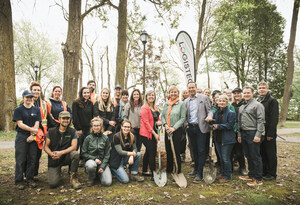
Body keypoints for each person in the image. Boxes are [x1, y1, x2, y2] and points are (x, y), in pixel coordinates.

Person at [44, 111, 81, 189]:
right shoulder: (51, 131)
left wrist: (61, 153)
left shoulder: (72, 131)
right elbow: (46, 146)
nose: (65, 120)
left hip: (66, 157)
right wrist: (51, 154)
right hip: (54, 158)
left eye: (67, 118)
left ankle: (73, 177)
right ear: (59, 119)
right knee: (53, 184)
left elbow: (74, 147)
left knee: (75, 154)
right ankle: (57, 172)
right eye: (63, 118)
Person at [185, 82, 213, 183]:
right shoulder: (186, 101)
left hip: (201, 127)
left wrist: (209, 116)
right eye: (189, 88)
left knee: (201, 150)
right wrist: (185, 124)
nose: (191, 89)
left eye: (193, 87)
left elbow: (209, 110)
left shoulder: (204, 98)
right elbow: (185, 115)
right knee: (194, 150)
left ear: (196, 88)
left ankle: (199, 173)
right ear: (187, 89)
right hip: (191, 128)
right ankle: (196, 169)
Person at [13, 90, 41, 189]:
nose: (29, 99)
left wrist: (32, 134)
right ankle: (19, 181)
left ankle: (30, 179)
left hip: (33, 137)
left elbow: (37, 123)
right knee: (20, 159)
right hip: (21, 136)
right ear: (23, 98)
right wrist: (32, 130)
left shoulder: (37, 110)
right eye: (27, 97)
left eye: (30, 97)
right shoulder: (18, 110)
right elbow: (20, 124)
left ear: (32, 98)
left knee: (32, 159)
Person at [238, 86, 265, 186]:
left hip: (253, 133)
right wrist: (239, 134)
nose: (246, 95)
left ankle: (258, 179)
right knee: (248, 155)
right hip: (244, 133)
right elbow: (239, 122)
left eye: (248, 93)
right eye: (244, 93)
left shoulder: (258, 105)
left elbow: (261, 120)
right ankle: (251, 174)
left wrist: (258, 134)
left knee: (255, 156)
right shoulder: (241, 106)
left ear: (252, 93)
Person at [161, 86, 186, 173]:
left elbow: (183, 118)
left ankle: (178, 170)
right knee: (168, 150)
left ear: (178, 93)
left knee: (176, 150)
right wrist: (165, 125)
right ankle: (169, 169)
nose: (173, 94)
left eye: (175, 92)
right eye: (171, 92)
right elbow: (163, 116)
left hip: (176, 130)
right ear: (169, 93)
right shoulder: (166, 104)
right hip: (167, 130)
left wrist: (174, 128)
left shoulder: (181, 104)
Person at [257, 81, 279, 181]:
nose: (261, 89)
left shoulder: (272, 101)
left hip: (269, 132)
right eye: (260, 88)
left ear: (267, 89)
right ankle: (264, 171)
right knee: (262, 152)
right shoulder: (258, 100)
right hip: (260, 131)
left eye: (263, 87)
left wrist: (270, 133)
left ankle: (272, 173)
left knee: (270, 153)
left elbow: (274, 118)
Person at [81, 117, 112, 187]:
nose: (96, 127)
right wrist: (94, 158)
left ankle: (99, 173)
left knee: (107, 183)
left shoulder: (105, 138)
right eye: (94, 126)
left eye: (98, 125)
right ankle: (91, 177)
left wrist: (103, 166)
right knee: (91, 166)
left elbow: (107, 154)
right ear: (92, 127)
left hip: (102, 162)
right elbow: (83, 153)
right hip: (91, 161)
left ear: (101, 127)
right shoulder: (88, 138)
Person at [212, 95, 236, 183]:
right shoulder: (216, 112)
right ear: (217, 102)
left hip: (227, 139)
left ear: (226, 102)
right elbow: (213, 121)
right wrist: (209, 121)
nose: (221, 102)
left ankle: (227, 176)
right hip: (218, 138)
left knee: (226, 158)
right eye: (220, 101)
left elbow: (230, 125)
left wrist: (218, 126)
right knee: (221, 158)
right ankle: (222, 173)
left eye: (223, 101)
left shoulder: (231, 113)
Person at [29, 82, 50, 179]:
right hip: (30, 132)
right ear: (31, 91)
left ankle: (35, 174)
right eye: (34, 90)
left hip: (41, 133)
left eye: (38, 90)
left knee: (38, 154)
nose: (36, 92)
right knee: (30, 155)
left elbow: (49, 118)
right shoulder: (27, 102)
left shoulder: (44, 103)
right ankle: (28, 175)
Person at [140, 90, 162, 177]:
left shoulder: (155, 107)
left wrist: (159, 122)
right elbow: (146, 122)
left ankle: (144, 170)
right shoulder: (144, 108)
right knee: (152, 152)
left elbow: (157, 119)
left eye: (153, 95)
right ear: (146, 97)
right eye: (149, 95)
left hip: (154, 132)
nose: (151, 96)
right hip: (146, 134)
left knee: (148, 152)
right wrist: (154, 134)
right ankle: (153, 173)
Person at [72, 87, 94, 163]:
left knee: (85, 146)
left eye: (88, 93)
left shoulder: (90, 103)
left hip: (88, 129)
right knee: (76, 145)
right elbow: (75, 117)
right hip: (79, 129)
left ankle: (82, 160)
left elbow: (91, 117)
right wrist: (78, 129)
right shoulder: (76, 102)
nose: (86, 94)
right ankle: (73, 162)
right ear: (81, 93)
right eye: (84, 93)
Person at [231, 87, 247, 176]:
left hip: (240, 130)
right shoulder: (232, 105)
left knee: (239, 151)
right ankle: (231, 167)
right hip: (231, 130)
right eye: (235, 93)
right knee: (232, 151)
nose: (236, 95)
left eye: (238, 93)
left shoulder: (244, 104)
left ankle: (242, 167)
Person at [180, 89, 190, 162]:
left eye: (187, 93)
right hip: (182, 124)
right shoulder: (181, 102)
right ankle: (182, 154)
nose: (186, 94)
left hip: (189, 122)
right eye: (184, 93)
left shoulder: (191, 101)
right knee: (182, 139)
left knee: (190, 140)